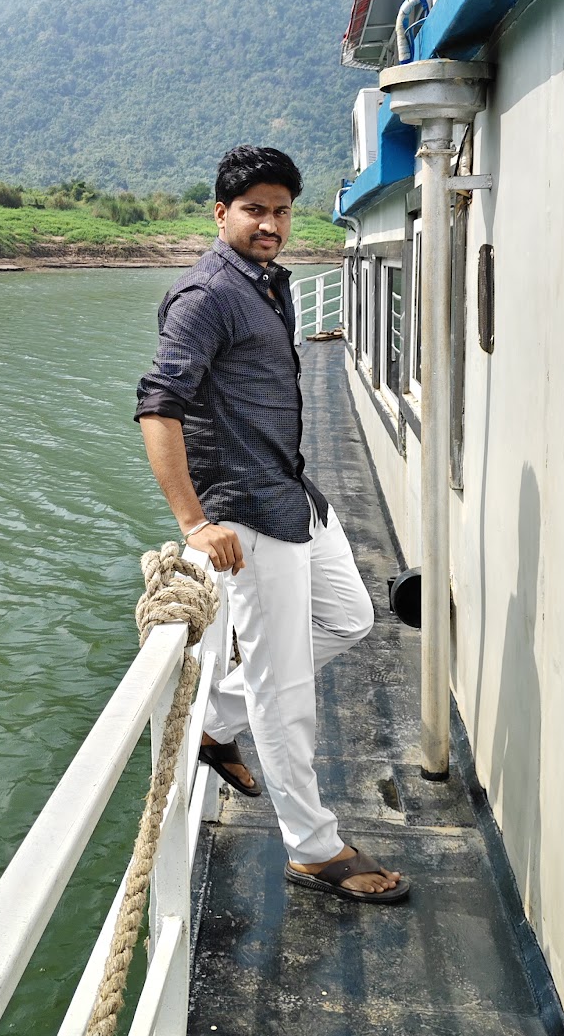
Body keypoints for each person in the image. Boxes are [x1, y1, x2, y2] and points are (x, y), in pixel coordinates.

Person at [134, 144, 409, 903]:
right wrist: (193, 524)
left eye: (281, 210)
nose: (270, 224)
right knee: (285, 693)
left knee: (351, 617)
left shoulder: (268, 284)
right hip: (245, 516)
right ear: (220, 213)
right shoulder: (206, 296)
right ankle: (313, 849)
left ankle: (218, 724)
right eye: (254, 210)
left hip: (293, 497)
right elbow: (158, 407)